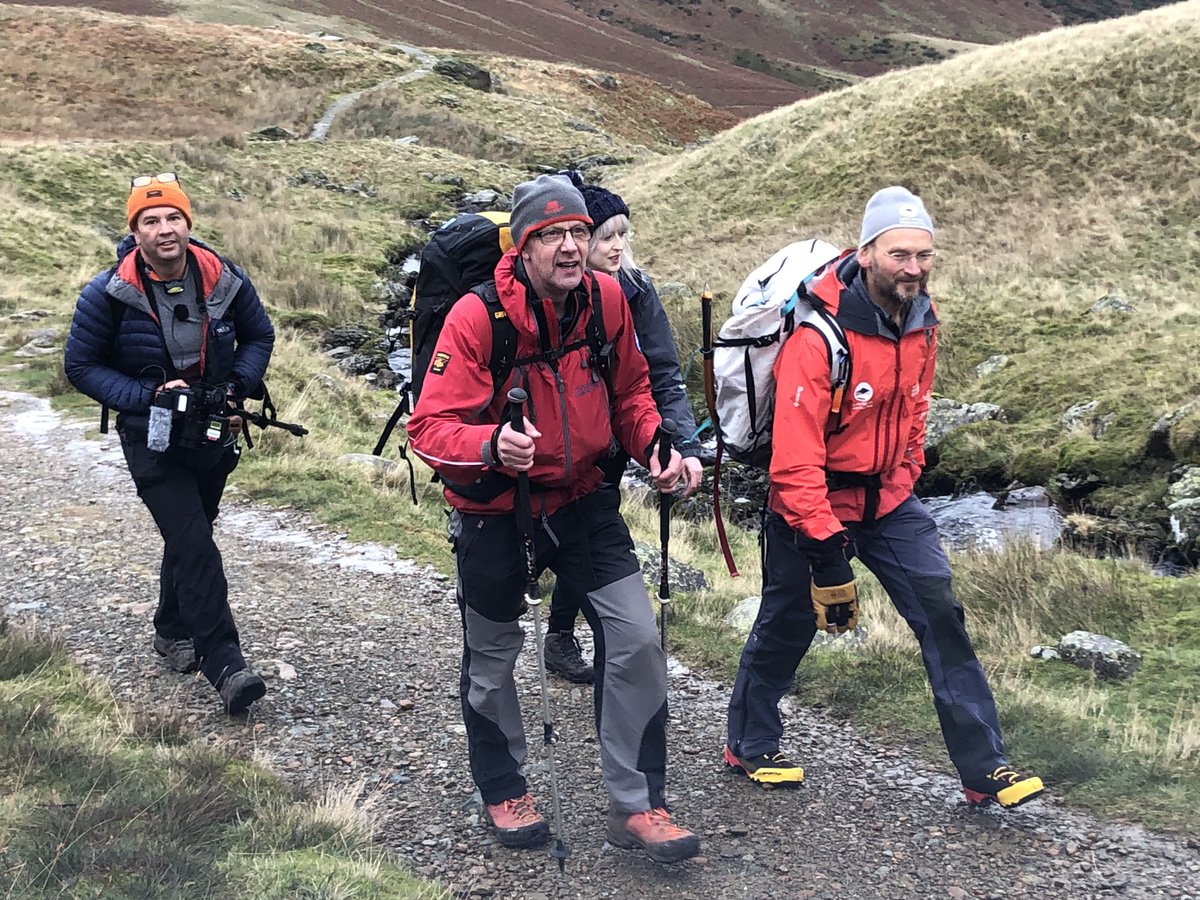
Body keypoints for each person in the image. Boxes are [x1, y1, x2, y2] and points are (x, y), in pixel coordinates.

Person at [407, 174, 702, 864]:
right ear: (524, 245)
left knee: (636, 640)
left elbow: (630, 389)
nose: (571, 247)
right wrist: (489, 445)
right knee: (492, 654)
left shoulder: (605, 299)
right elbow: (429, 425)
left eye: (578, 232)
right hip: (493, 508)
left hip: (585, 499)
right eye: (552, 236)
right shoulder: (479, 318)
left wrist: (657, 446)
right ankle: (503, 789)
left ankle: (638, 805)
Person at [723, 186, 1046, 809]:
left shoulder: (921, 320)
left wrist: (906, 472)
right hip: (808, 505)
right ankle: (750, 742)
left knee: (941, 618)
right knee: (788, 623)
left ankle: (985, 768)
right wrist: (825, 549)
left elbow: (915, 410)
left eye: (924, 255)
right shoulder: (818, 339)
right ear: (867, 251)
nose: (915, 268)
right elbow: (794, 460)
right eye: (901, 254)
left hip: (891, 503)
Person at [64, 173, 275, 716]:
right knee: (193, 540)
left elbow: (259, 336)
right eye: (150, 221)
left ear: (188, 223)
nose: (165, 229)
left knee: (191, 533)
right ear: (135, 231)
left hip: (211, 429)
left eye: (173, 218)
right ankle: (223, 662)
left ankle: (170, 627)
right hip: (150, 435)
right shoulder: (107, 292)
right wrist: (146, 395)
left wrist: (234, 387)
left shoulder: (225, 279)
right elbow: (81, 365)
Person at [541, 172, 703, 684]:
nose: (617, 246)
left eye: (622, 235)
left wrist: (682, 444)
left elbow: (661, 370)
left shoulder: (635, 289)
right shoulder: (547, 294)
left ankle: (567, 638)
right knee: (562, 535)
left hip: (617, 439)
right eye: (606, 234)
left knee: (590, 527)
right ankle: (558, 632)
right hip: (553, 443)